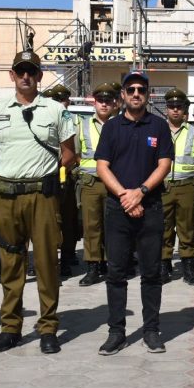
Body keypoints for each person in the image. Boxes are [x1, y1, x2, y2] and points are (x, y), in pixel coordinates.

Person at [0, 51, 77, 354]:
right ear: (12, 75)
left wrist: (50, 175)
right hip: (6, 197)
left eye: (31, 71)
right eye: (20, 71)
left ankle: (48, 327)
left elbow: (70, 153)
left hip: (42, 197)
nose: (25, 77)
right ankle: (11, 327)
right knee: (10, 265)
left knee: (47, 263)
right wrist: (6, 174)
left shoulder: (54, 111)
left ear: (39, 76)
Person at [94, 71, 173, 355]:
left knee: (152, 272)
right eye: (131, 89)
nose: (136, 93)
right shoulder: (112, 127)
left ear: (148, 94)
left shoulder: (159, 126)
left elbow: (164, 164)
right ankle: (117, 332)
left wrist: (140, 191)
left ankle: (151, 330)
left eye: (141, 89)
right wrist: (125, 196)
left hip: (150, 206)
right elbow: (102, 166)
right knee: (116, 272)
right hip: (118, 208)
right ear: (123, 96)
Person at [77, 82, 117, 286]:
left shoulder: (120, 124)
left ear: (114, 104)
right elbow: (76, 154)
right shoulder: (82, 125)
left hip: (114, 183)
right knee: (91, 225)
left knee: (113, 226)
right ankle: (93, 266)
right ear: (94, 102)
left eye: (108, 101)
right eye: (100, 100)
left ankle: (113, 266)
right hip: (91, 183)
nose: (103, 104)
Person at [161, 88, 194, 285]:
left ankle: (188, 265)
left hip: (187, 186)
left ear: (185, 109)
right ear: (166, 109)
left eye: (179, 106)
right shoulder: (157, 130)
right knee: (164, 227)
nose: (175, 110)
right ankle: (163, 264)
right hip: (163, 186)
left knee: (187, 228)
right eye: (171, 106)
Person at [46, 84, 80, 277]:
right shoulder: (43, 120)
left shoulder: (72, 122)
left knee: (67, 220)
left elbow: (76, 152)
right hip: (47, 175)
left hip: (67, 175)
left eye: (62, 99)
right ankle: (50, 259)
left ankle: (66, 257)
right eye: (55, 100)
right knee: (50, 220)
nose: (59, 103)